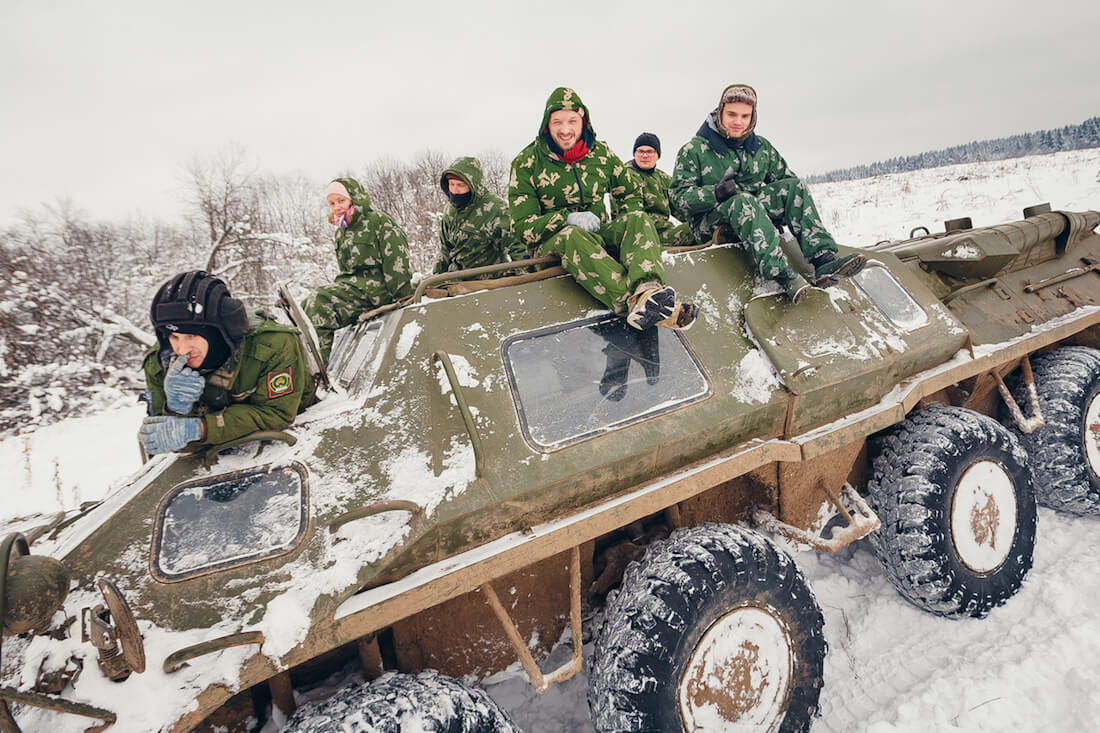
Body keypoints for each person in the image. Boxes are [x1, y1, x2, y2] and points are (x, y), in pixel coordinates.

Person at [509, 87, 695, 330]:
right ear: (547, 124)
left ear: (583, 120)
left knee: (637, 219)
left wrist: (626, 225)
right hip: (552, 247)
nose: (565, 130)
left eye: (572, 121)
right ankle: (632, 304)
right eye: (557, 122)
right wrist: (566, 218)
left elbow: (629, 190)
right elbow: (522, 228)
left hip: (598, 237)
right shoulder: (527, 163)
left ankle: (648, 292)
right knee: (572, 235)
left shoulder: (601, 153)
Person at [670, 84, 864, 302]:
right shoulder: (694, 150)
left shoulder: (761, 148)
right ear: (720, 112)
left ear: (753, 117)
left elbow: (785, 184)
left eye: (745, 116)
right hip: (711, 223)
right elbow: (678, 199)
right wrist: (714, 193)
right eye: (731, 114)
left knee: (794, 187)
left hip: (754, 215)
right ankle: (782, 275)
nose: (738, 122)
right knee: (742, 201)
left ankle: (823, 260)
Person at [140, 271, 317, 455]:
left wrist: (200, 428)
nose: (182, 349)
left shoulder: (272, 344)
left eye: (191, 336)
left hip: (291, 444)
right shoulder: (159, 365)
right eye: (174, 337)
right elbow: (168, 442)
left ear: (216, 333)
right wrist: (176, 409)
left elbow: (277, 414)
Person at [304, 177, 413, 360]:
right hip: (355, 290)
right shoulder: (342, 231)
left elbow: (397, 263)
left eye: (341, 200)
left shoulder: (378, 222)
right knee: (305, 306)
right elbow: (346, 272)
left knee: (319, 302)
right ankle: (307, 363)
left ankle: (317, 370)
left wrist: (402, 298)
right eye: (332, 203)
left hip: (377, 291)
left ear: (354, 198)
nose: (337, 206)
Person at [436, 156, 526, 278]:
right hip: (456, 279)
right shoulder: (450, 210)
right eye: (452, 184)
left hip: (486, 283)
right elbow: (445, 250)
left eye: (460, 185)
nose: (455, 191)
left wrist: (524, 279)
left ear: (473, 185)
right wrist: (437, 278)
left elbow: (519, 248)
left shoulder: (496, 209)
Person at [617, 132, 695, 246]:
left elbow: (682, 210)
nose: (644, 155)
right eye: (640, 151)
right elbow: (634, 217)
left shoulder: (663, 178)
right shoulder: (625, 176)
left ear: (658, 155)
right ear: (634, 153)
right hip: (639, 235)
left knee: (701, 227)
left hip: (664, 231)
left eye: (649, 151)